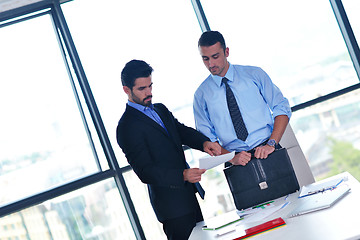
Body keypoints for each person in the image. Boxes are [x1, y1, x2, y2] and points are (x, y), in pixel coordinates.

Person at [116, 59, 221, 240]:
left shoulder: (160, 109)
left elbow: (180, 131)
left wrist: (203, 143)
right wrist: (182, 175)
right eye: (142, 89)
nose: (149, 93)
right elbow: (145, 172)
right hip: (171, 208)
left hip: (188, 196)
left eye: (150, 86)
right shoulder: (126, 127)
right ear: (127, 90)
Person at [193, 31, 292, 166]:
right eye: (205, 59)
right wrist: (231, 158)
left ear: (226, 52)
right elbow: (207, 140)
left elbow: (281, 108)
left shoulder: (254, 75)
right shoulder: (201, 95)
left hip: (268, 150)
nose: (211, 64)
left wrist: (271, 144)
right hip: (235, 162)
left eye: (215, 56)